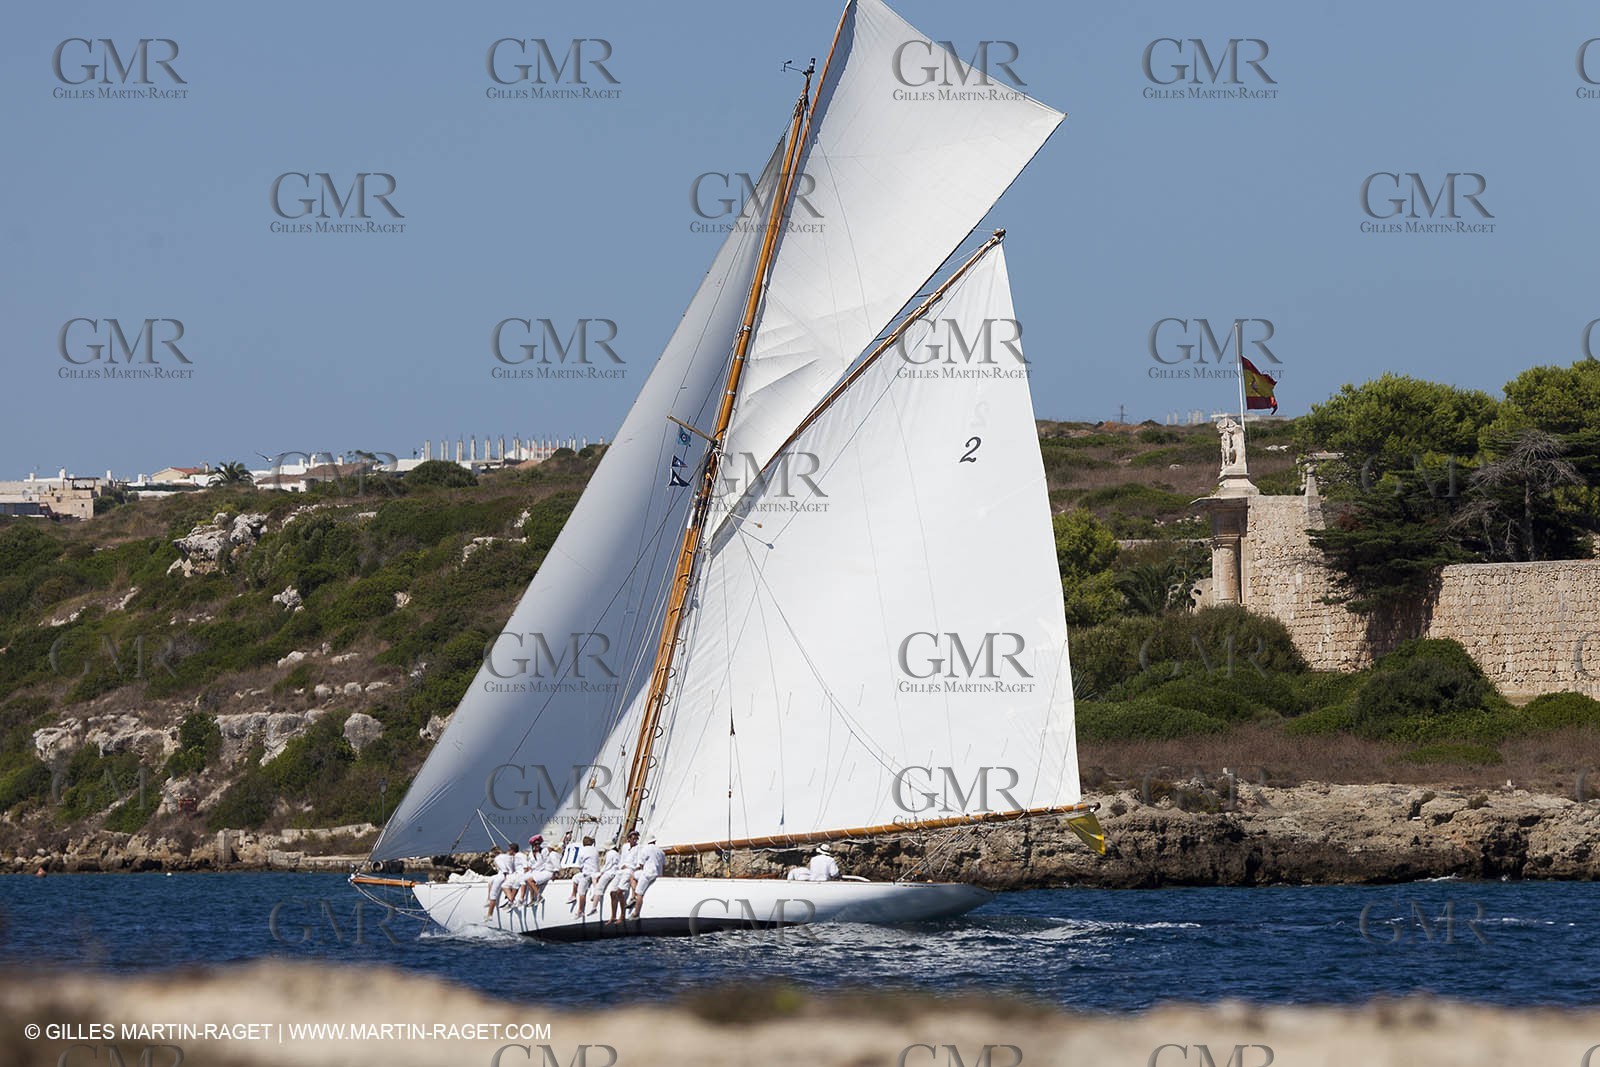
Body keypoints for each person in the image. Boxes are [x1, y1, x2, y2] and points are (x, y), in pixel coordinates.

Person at [629, 834, 666, 919]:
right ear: (655, 841)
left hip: (648, 874)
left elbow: (641, 863)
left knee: (639, 892)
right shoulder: (661, 851)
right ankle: (634, 897)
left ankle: (635, 912)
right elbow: (663, 866)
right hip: (657, 874)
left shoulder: (645, 849)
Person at [608, 830, 640, 925]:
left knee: (619, 892)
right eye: (632, 838)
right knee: (612, 892)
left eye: (636, 839)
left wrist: (631, 868)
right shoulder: (625, 847)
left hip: (629, 870)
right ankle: (613, 916)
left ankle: (622, 915)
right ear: (629, 839)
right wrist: (621, 865)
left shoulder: (638, 848)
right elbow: (622, 859)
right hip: (621, 870)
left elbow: (638, 862)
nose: (634, 840)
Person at [589, 838, 621, 918]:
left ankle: (594, 907)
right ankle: (595, 897)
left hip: (609, 873)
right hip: (616, 873)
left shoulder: (610, 853)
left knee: (599, 888)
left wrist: (601, 872)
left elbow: (608, 865)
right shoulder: (617, 853)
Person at [573, 835, 600, 916]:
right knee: (576, 878)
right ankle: (573, 895)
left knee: (581, 891)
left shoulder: (582, 850)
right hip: (595, 873)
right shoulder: (595, 850)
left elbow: (580, 865)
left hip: (587, 874)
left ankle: (580, 910)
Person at [487, 844, 516, 916]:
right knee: (490, 880)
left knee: (493, 894)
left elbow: (504, 869)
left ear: (494, 852)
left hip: (502, 876)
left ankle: (489, 914)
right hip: (511, 875)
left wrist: (506, 877)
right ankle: (488, 900)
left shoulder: (497, 858)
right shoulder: (508, 856)